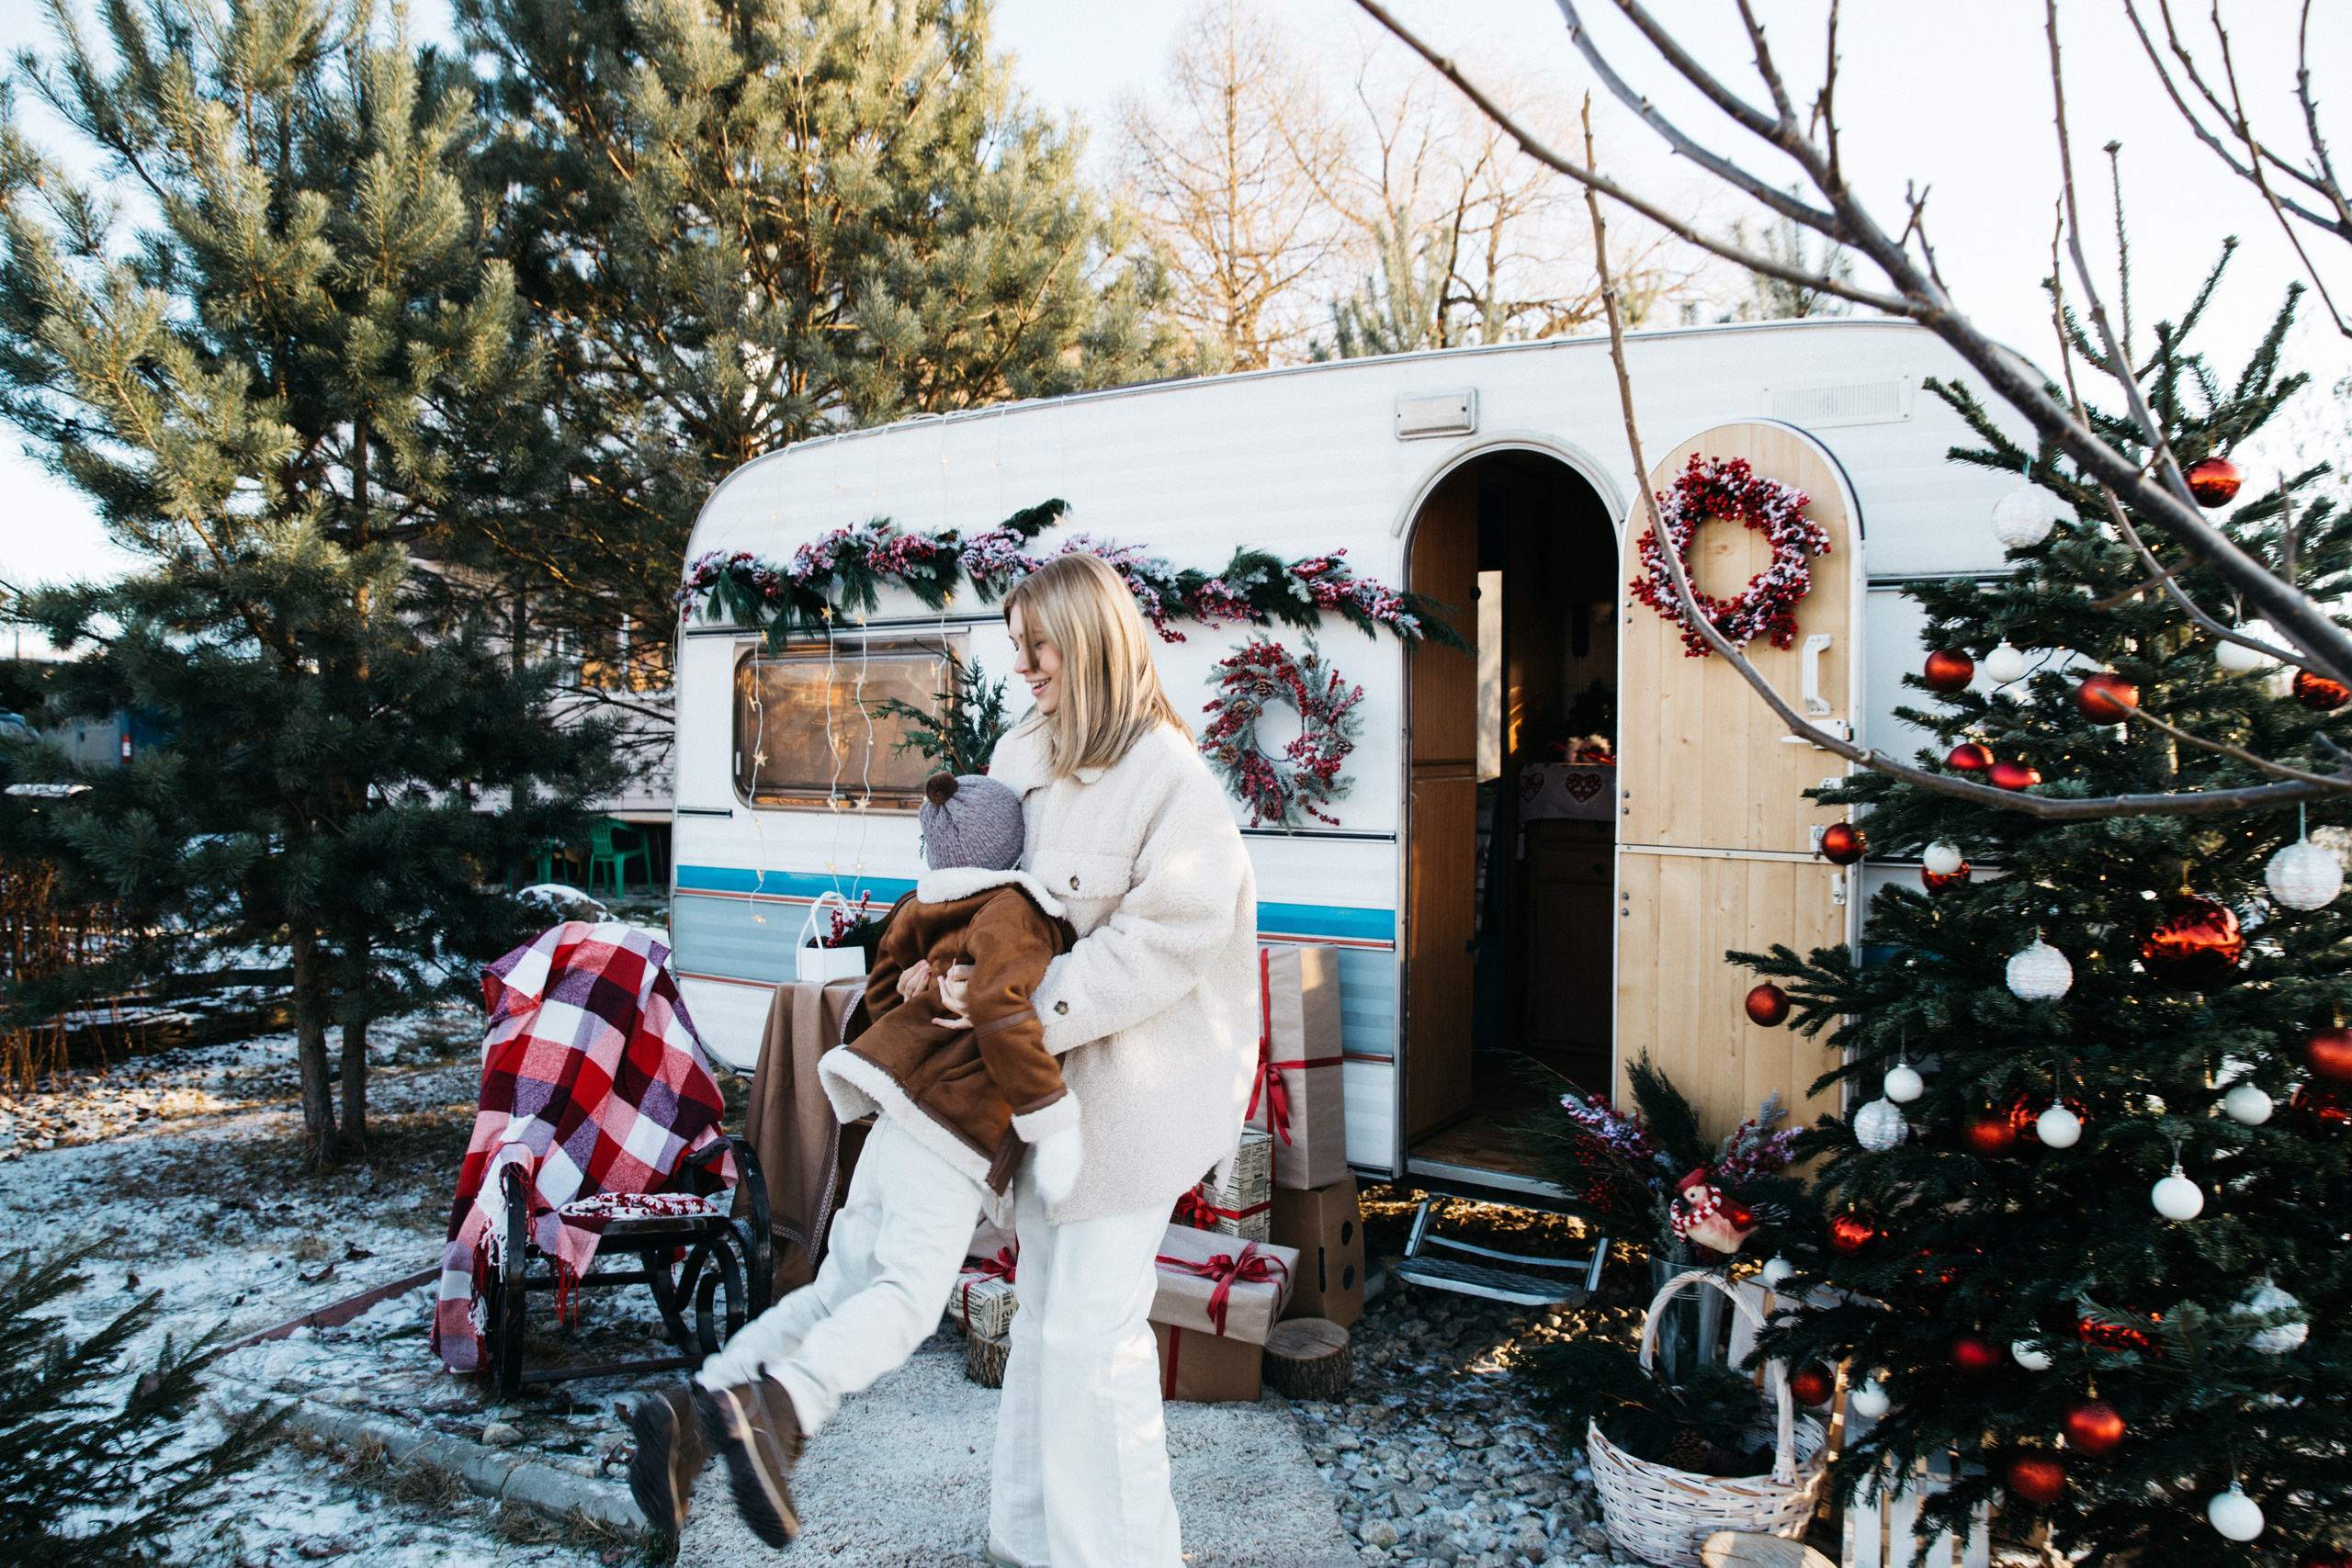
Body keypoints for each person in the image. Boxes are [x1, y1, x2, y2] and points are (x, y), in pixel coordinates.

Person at [627, 769, 1085, 1545]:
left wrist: (915, 991)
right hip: (947, 1135)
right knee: (906, 1301)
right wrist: (1051, 1117)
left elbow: (872, 996)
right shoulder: (1015, 910)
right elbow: (1005, 1010)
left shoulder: (921, 905)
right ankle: (785, 1404)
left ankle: (697, 1410)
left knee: (836, 1287)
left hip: (890, 1126)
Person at [980, 552, 1259, 1568]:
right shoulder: (1021, 752)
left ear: (1088, 642)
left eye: (1037, 648)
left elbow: (1166, 939)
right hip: (1048, 1102)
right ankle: (1026, 1541)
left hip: (1137, 1101)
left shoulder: (1170, 779)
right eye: (1016, 650)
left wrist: (1020, 1009)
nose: (1024, 668)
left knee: (1092, 1337)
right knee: (1047, 1319)